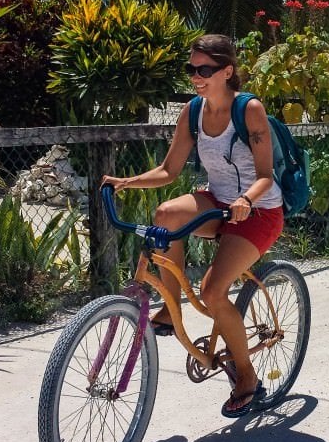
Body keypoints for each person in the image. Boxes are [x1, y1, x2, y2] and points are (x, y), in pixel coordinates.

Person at [100, 33, 284, 418]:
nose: (195, 77)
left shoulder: (249, 110)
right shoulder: (193, 111)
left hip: (259, 210)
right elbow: (169, 170)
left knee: (213, 291)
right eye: (191, 69)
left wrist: (247, 200)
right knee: (166, 215)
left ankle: (247, 377)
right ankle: (171, 308)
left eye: (204, 69)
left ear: (227, 71)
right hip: (217, 202)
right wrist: (127, 181)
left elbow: (266, 175)